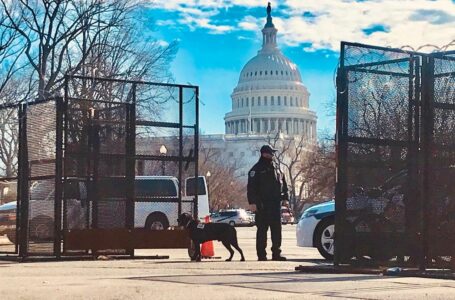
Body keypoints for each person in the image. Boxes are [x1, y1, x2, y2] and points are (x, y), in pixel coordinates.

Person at [247, 145, 289, 261]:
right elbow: (251, 188)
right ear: (264, 154)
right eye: (271, 153)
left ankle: (276, 253)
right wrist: (253, 203)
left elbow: (284, 184)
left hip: (275, 204)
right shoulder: (256, 169)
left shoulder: (277, 168)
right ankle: (261, 255)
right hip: (262, 205)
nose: (273, 155)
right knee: (262, 231)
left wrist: (286, 198)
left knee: (276, 230)